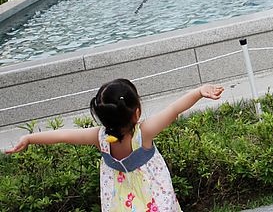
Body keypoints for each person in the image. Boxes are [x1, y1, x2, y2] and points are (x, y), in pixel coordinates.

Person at [5, 78, 224, 211]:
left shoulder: (99, 137)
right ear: (137, 112)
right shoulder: (143, 133)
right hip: (155, 202)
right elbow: (175, 108)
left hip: (120, 205)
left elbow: (63, 135)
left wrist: (30, 138)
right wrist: (198, 92)